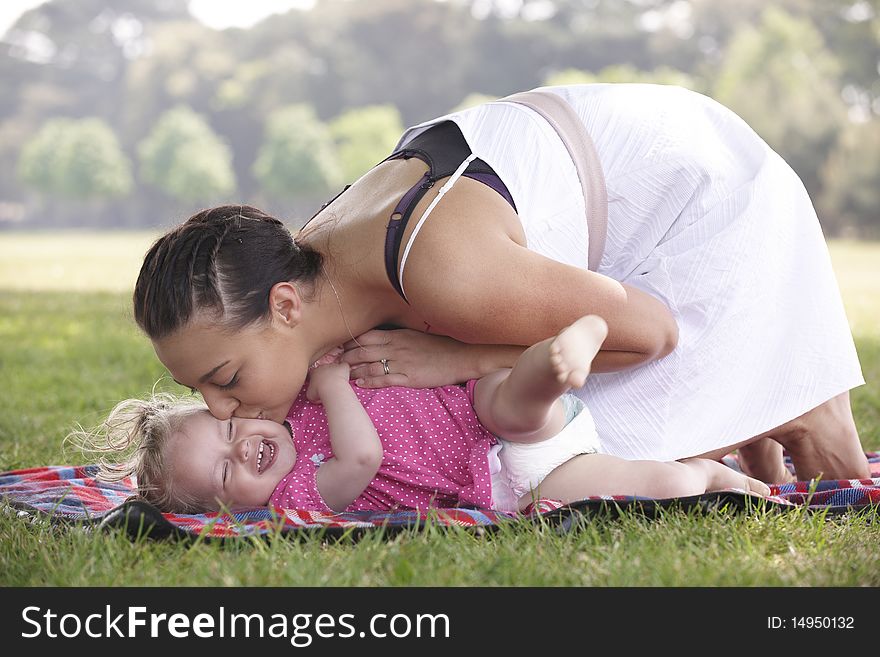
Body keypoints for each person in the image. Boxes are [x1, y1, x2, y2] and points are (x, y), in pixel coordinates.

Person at [133, 83, 869, 485]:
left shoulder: (443, 271)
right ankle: (756, 424)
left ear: (285, 304)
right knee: (606, 440)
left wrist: (464, 360)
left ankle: (799, 415)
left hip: (707, 195)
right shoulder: (317, 262)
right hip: (620, 206)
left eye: (224, 377)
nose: (220, 406)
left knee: (618, 447)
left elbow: (648, 331)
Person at [78, 315, 769, 514]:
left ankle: (558, 355)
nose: (244, 449)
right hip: (503, 482)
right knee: (643, 484)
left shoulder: (289, 415)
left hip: (475, 412)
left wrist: (321, 374)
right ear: (235, 511)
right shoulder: (297, 494)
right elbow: (363, 459)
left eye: (230, 432)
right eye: (228, 474)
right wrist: (336, 385)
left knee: (517, 400)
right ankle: (713, 479)